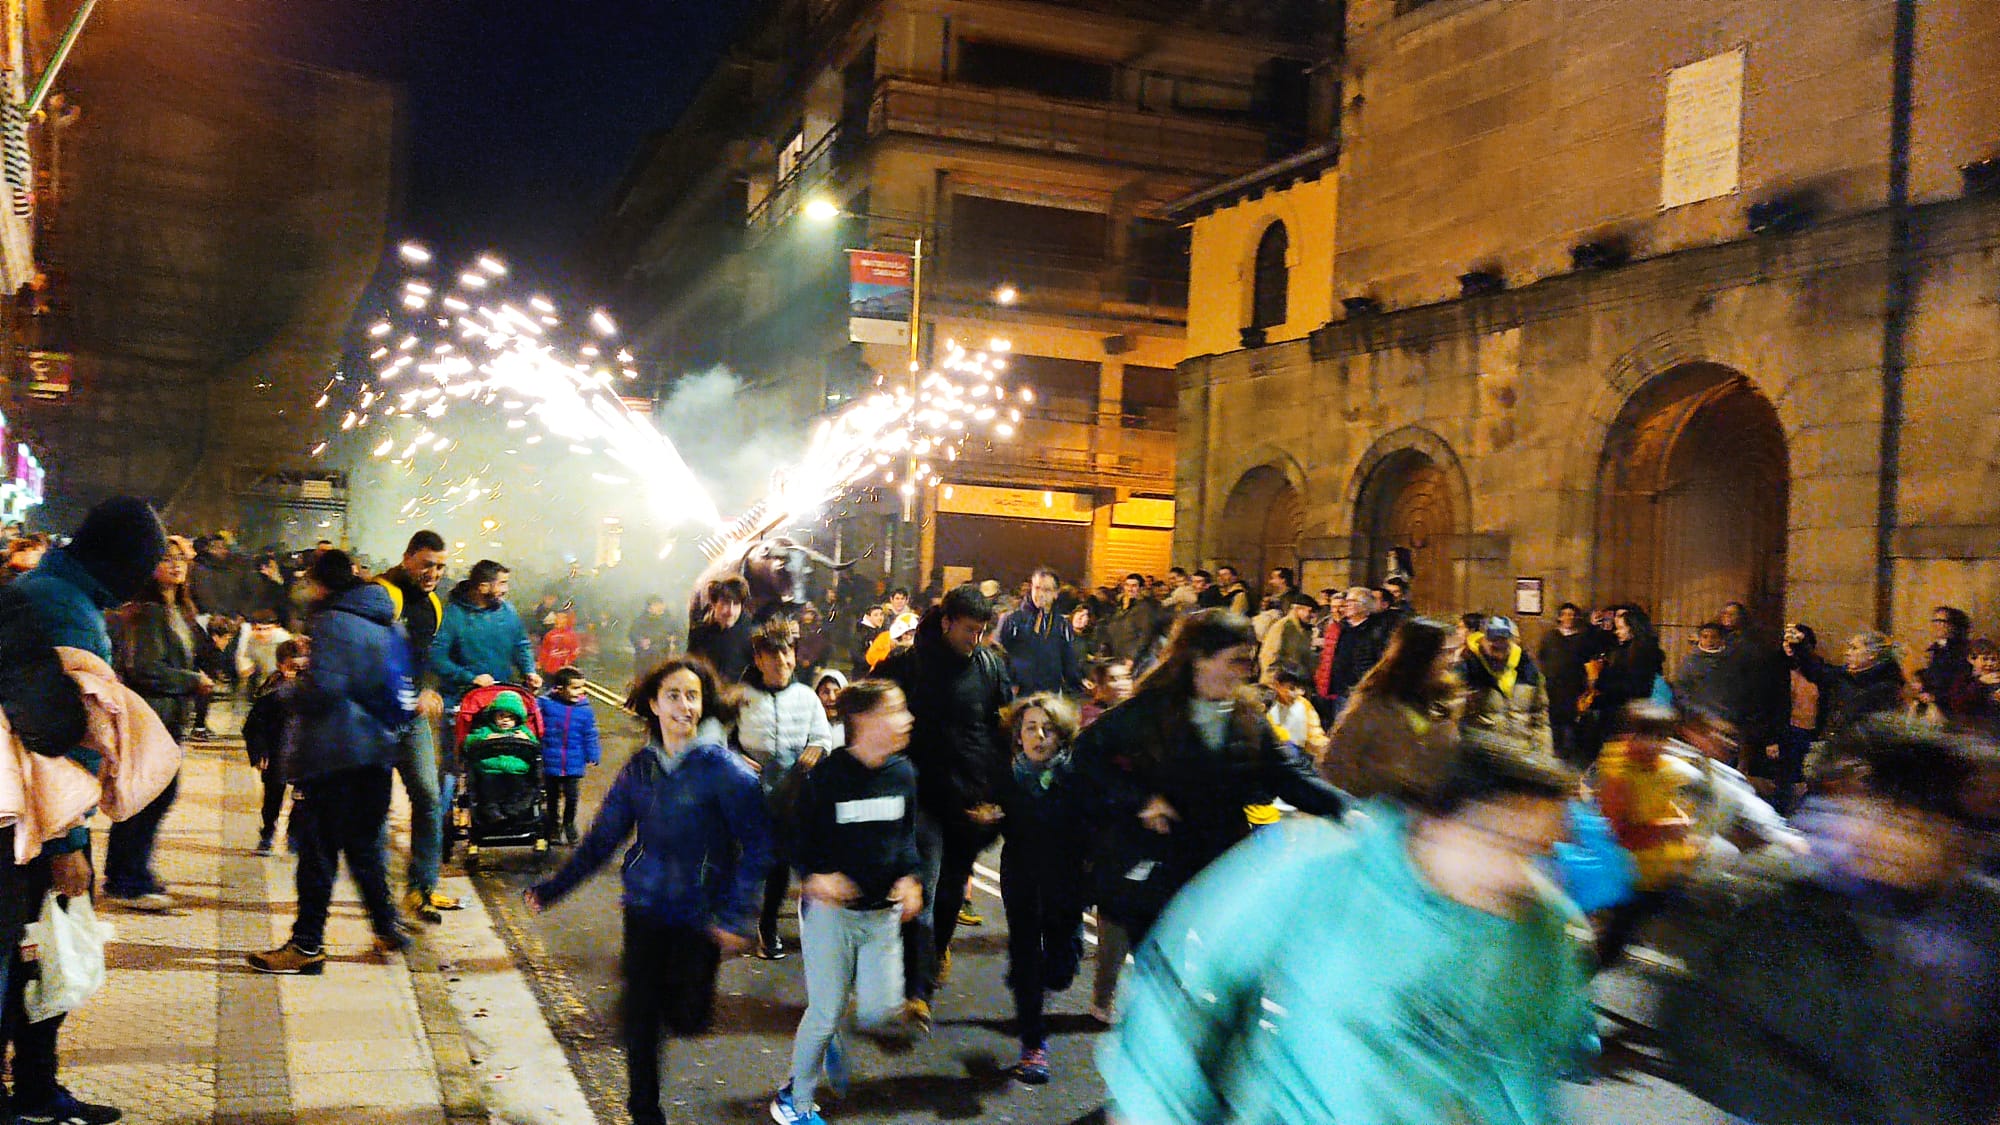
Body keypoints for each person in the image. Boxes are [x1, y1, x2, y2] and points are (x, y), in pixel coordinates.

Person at [1098, 731, 1595, 1125]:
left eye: (1540, 852)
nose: (1521, 874)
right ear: (1437, 823)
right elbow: (1179, 1002)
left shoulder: (1542, 930)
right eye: (1502, 843)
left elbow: (1531, 1071)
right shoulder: (1313, 871)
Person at [1659, 718, 2000, 1125]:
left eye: (1916, 826)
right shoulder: (1785, 910)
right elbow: (1705, 1031)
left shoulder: (1979, 921)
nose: (1888, 838)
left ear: (1956, 840)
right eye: (1881, 815)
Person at [526, 657, 773, 1125]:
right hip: (644, 906)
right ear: (655, 705)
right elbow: (603, 838)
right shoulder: (640, 770)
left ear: (703, 704)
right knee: (641, 1018)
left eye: (692, 695)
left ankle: (658, 1005)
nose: (683, 705)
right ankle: (644, 1110)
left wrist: (737, 916)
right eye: (673, 695)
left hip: (699, 915)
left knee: (686, 1016)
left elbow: (760, 844)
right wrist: (555, 887)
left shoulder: (724, 770)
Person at [0, 496, 165, 1125]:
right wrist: (68, 845)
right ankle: (32, 1094)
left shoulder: (52, 592)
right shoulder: (62, 609)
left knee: (34, 954)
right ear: (120, 561)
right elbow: (57, 738)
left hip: (35, 815)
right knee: (37, 955)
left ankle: (36, 1090)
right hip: (41, 820)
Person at [1068, 610, 1347, 953]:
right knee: (1165, 970)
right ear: (1199, 658)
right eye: (1236, 660)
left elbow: (1288, 775)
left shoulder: (1246, 716)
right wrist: (1140, 799)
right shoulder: (1149, 710)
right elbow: (1085, 755)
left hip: (1219, 872)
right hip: (1159, 872)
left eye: (1249, 660)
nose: (1247, 671)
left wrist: (1348, 809)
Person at [250, 549, 417, 975]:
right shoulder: (390, 623)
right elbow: (402, 689)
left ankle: (306, 945)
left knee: (317, 852)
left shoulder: (332, 621)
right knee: (365, 847)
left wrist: (286, 692)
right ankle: (388, 928)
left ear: (321, 584)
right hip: (377, 753)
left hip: (334, 754)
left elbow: (324, 690)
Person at [768, 680, 925, 1125]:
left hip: (881, 916)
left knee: (879, 1010)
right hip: (830, 917)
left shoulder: (904, 774)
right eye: (896, 710)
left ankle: (829, 1037)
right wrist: (814, 875)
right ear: (864, 721)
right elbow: (791, 836)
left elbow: (906, 839)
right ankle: (795, 1100)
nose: (908, 719)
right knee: (824, 1011)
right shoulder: (825, 777)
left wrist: (910, 878)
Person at [874, 584, 1011, 1027]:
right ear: (947, 622)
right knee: (926, 890)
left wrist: (996, 794)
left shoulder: (990, 668)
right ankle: (916, 990)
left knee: (952, 892)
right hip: (922, 797)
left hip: (968, 799)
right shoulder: (909, 666)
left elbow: (1000, 733)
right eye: (969, 629)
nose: (976, 639)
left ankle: (933, 954)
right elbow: (876, 713)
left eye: (982, 631)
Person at [103, 535, 215, 911]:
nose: (176, 564)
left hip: (169, 716)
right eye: (166, 558)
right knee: (150, 796)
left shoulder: (178, 610)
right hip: (153, 717)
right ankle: (128, 880)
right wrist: (192, 680)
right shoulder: (149, 611)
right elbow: (144, 669)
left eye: (181, 558)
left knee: (154, 796)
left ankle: (130, 872)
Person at [994, 692, 1086, 1085]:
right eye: (1030, 728)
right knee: (1027, 957)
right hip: (1021, 877)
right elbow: (987, 823)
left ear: (1061, 735)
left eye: (1048, 728)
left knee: (1062, 968)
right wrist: (982, 821)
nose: (1039, 735)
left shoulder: (1075, 775)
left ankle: (1041, 974)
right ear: (1018, 735)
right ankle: (1033, 1045)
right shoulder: (1007, 777)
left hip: (1066, 880)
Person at [738, 622, 835, 960]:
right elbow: (721, 736)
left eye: (786, 653)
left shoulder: (807, 698)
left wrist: (816, 750)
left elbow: (822, 737)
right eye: (772, 655)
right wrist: (735, 756)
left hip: (792, 794)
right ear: (758, 660)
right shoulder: (742, 697)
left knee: (781, 862)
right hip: (749, 793)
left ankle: (768, 925)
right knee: (748, 859)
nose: (781, 661)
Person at [376, 530, 455, 924]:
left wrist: (427, 688)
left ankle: (421, 888)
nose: (433, 573)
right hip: (377, 720)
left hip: (412, 720)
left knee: (428, 797)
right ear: (407, 557)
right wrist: (411, 694)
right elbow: (372, 656)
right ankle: (380, 900)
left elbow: (422, 659)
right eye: (427, 565)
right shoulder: (383, 595)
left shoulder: (434, 605)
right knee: (375, 808)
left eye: (440, 567)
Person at [432, 558, 540, 842]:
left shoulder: (508, 611)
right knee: (454, 768)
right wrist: (470, 677)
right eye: (501, 583)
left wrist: (529, 670)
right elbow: (437, 657)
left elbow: (521, 644)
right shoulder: (453, 615)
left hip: (501, 700)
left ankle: (506, 813)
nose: (506, 589)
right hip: (462, 703)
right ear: (482, 587)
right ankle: (440, 827)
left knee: (510, 755)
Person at [1324, 616, 1462, 801]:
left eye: (1455, 651)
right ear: (1420, 656)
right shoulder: (1373, 705)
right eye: (1446, 652)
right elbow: (1334, 764)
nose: (1454, 660)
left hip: (1427, 813)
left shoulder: (1445, 700)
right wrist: (1373, 799)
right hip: (1380, 812)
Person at [242, 638, 308, 854]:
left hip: (305, 752)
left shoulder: (312, 689)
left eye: (301, 668)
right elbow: (253, 725)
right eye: (292, 667)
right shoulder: (271, 690)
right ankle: (268, 833)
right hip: (277, 751)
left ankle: (295, 837)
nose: (296, 673)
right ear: (280, 665)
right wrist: (258, 752)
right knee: (273, 797)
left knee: (303, 796)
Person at [1455, 615, 1552, 753]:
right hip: (1485, 755)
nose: (1497, 644)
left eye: (1503, 639)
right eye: (1492, 639)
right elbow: (1454, 712)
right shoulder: (1469, 668)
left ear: (1512, 640)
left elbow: (1540, 716)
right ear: (1483, 640)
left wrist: (1544, 752)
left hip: (1521, 754)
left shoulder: (1527, 669)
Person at [995, 566, 1083, 696]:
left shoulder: (1062, 624)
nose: (1040, 594)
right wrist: (1008, 685)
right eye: (1037, 588)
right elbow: (998, 656)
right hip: (1018, 696)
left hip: (1049, 696)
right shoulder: (1012, 619)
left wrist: (1078, 685)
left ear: (1056, 593)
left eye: (1046, 590)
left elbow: (1068, 661)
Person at [538, 666, 601, 845]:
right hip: (550, 759)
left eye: (582, 687)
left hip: (574, 761)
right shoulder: (545, 704)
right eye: (575, 688)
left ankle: (569, 823)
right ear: (559, 688)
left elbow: (590, 733)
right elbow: (533, 719)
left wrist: (593, 752)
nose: (580, 692)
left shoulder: (584, 710)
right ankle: (553, 825)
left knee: (572, 796)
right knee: (552, 797)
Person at [1537, 602, 1603, 766]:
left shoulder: (1581, 639)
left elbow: (1589, 660)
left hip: (1574, 689)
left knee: (1572, 725)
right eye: (1565, 614)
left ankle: (1570, 759)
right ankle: (1557, 755)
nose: (1568, 618)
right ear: (1560, 617)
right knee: (1555, 724)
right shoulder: (1550, 637)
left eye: (1572, 615)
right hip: (1553, 688)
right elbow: (1542, 657)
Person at [1323, 585, 1388, 713]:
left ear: (1365, 606)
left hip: (1362, 690)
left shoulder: (1377, 630)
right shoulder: (1342, 628)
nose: (1346, 605)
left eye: (1352, 601)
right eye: (1347, 601)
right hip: (1341, 691)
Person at [1828, 631, 1908, 732]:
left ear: (1872, 654)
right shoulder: (1845, 677)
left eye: (1854, 648)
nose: (1847, 653)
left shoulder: (1885, 687)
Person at [687, 574, 755, 682]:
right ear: (713, 603)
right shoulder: (698, 635)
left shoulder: (751, 634)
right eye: (725, 603)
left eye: (736, 604)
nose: (731, 611)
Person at [1098, 573, 1167, 670]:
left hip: (1134, 659)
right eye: (1127, 585)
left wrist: (1132, 658)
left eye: (1134, 586)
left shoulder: (1145, 608)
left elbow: (1146, 635)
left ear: (1141, 588)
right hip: (1118, 654)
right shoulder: (1120, 605)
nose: (1130, 589)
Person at [1917, 605, 1974, 720]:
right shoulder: (1937, 648)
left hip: (1951, 707)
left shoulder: (1962, 651)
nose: (1936, 625)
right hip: (1933, 702)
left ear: (1953, 625)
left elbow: (1960, 683)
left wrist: (1935, 697)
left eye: (1941, 621)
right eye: (1935, 621)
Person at [1265, 667, 1329, 765]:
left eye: (1301, 689)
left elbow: (1314, 733)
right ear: (1277, 685)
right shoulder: (1268, 706)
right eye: (1291, 688)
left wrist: (1326, 748)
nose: (1297, 693)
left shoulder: (1304, 704)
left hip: (1299, 757)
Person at [1257, 592, 1317, 683]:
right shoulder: (1283, 627)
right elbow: (1269, 657)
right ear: (1297, 609)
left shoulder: (1305, 630)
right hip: (1278, 683)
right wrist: (1276, 682)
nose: (1312, 615)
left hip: (1294, 682)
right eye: (1310, 611)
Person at [628, 594, 677, 675]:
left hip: (662, 658)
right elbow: (632, 634)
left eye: (661, 605)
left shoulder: (669, 620)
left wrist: (674, 639)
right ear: (649, 608)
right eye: (656, 605)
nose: (660, 607)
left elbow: (678, 635)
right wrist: (640, 641)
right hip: (644, 659)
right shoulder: (641, 620)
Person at [536, 609, 583, 676]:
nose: (558, 620)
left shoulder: (572, 635)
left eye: (561, 618)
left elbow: (575, 652)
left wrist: (567, 662)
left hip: (565, 672)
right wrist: (540, 663)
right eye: (557, 617)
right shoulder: (549, 635)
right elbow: (544, 651)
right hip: (549, 671)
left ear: (567, 620)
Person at [812, 669, 848, 750]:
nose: (832, 698)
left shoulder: (853, 728)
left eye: (837, 692)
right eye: (826, 692)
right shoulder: (808, 728)